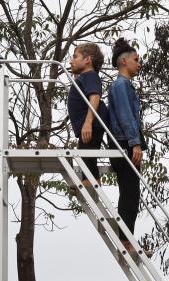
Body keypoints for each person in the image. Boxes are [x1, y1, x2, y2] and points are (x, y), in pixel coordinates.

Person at [107, 38, 150, 256]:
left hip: (126, 142)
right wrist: (135, 143)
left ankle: (126, 238)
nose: (139, 63)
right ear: (123, 62)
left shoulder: (124, 85)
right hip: (124, 142)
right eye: (136, 59)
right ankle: (125, 240)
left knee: (131, 193)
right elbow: (125, 116)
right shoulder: (120, 85)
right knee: (130, 194)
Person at [67, 43, 110, 188]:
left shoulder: (90, 76)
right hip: (89, 125)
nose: (71, 61)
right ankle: (89, 180)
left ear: (87, 60)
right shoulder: (84, 77)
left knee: (87, 155)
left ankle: (91, 182)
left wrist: (88, 123)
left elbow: (95, 97)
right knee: (85, 156)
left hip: (91, 125)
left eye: (75, 57)